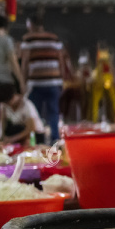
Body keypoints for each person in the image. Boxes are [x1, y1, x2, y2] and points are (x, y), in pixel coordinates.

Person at [20, 14, 66, 142]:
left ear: (31, 24)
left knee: (36, 113)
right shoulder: (54, 38)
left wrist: (23, 83)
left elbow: (25, 63)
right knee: (54, 112)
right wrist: (61, 78)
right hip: (54, 81)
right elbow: (61, 60)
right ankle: (55, 141)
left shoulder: (28, 39)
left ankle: (39, 142)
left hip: (36, 82)